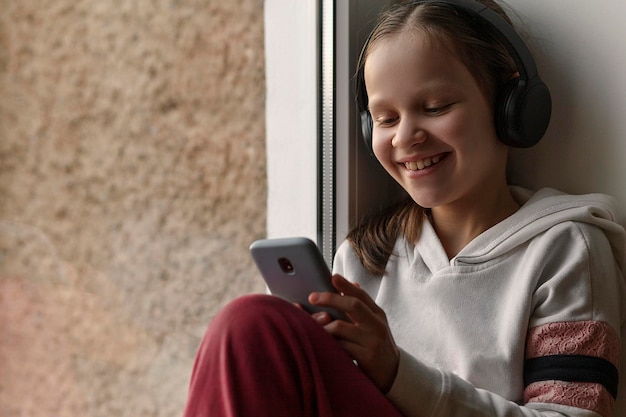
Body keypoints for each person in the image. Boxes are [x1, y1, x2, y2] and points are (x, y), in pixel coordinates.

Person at [182, 1, 626, 416]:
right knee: (249, 327)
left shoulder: (567, 249)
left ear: (511, 106)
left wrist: (397, 371)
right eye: (385, 119)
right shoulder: (364, 257)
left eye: (435, 108)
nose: (404, 137)